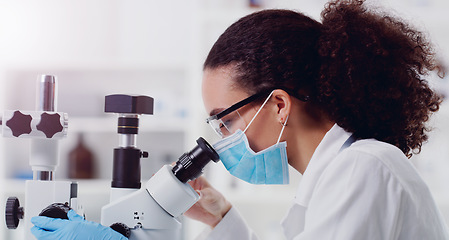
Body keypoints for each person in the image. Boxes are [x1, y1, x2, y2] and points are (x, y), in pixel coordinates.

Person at [31, 0, 449, 239]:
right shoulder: (341, 173)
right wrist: (223, 219)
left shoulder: (363, 169)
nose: (221, 138)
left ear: (279, 106)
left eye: (224, 120)